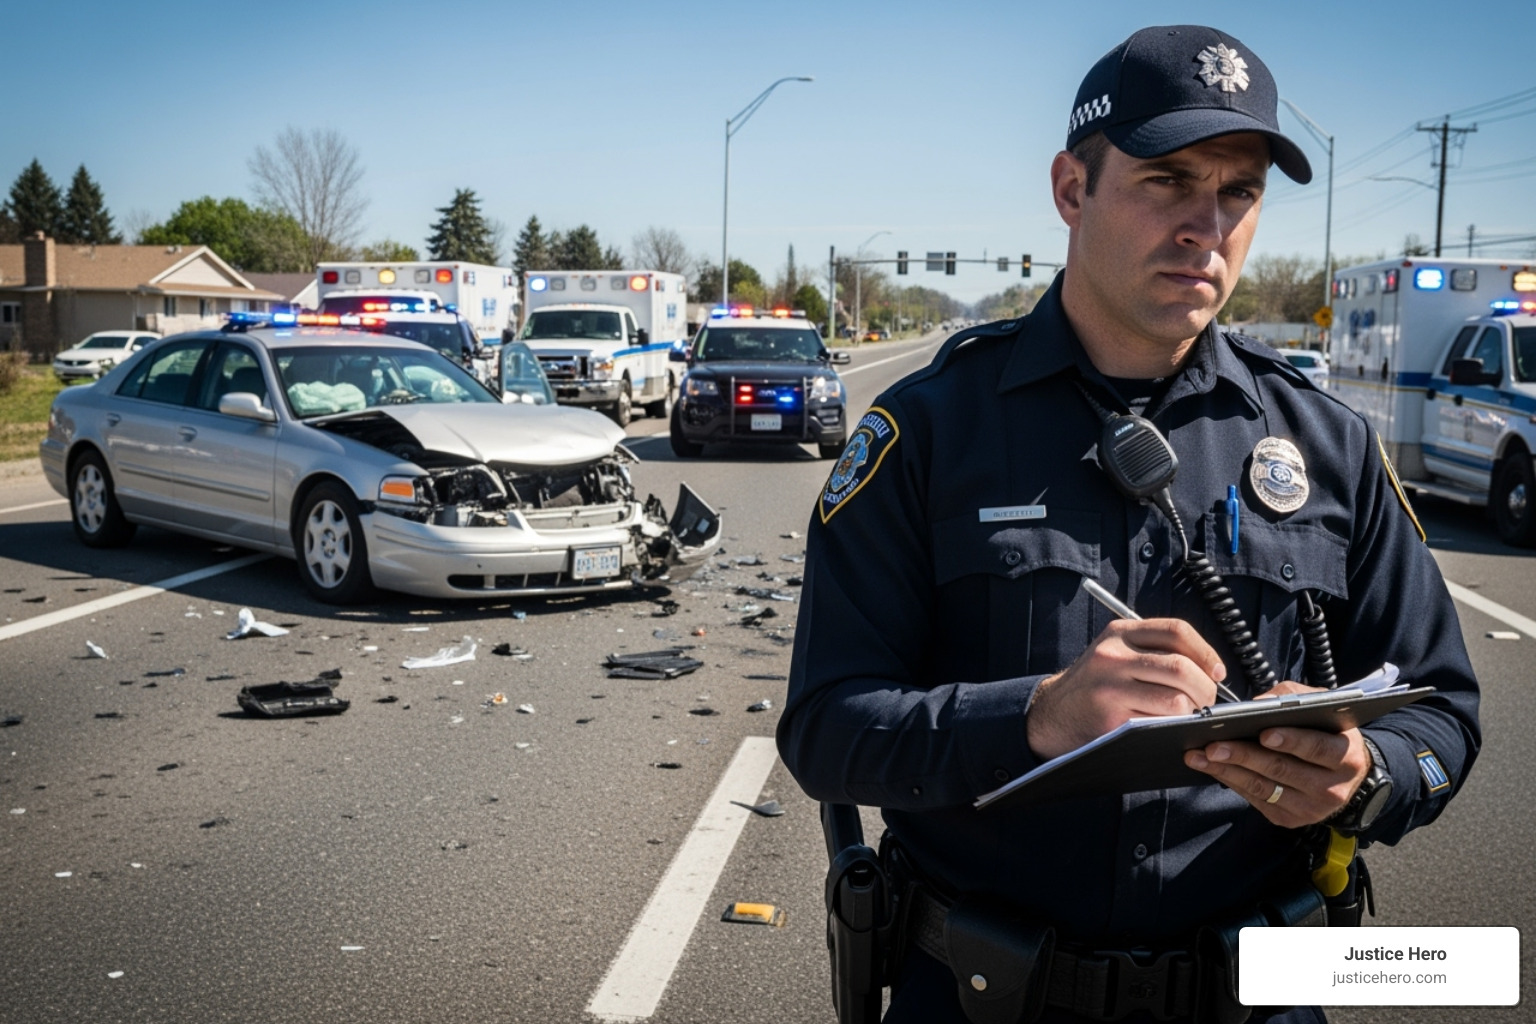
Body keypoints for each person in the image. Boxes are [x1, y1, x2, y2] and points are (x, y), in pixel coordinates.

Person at [779, 24, 1480, 1024]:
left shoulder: (1326, 444)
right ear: (1073, 189)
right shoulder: (929, 430)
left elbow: (1443, 708)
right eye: (1167, 180)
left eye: (1239, 192)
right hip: (986, 997)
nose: (1208, 224)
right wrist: (1039, 717)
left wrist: (1365, 776)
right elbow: (825, 729)